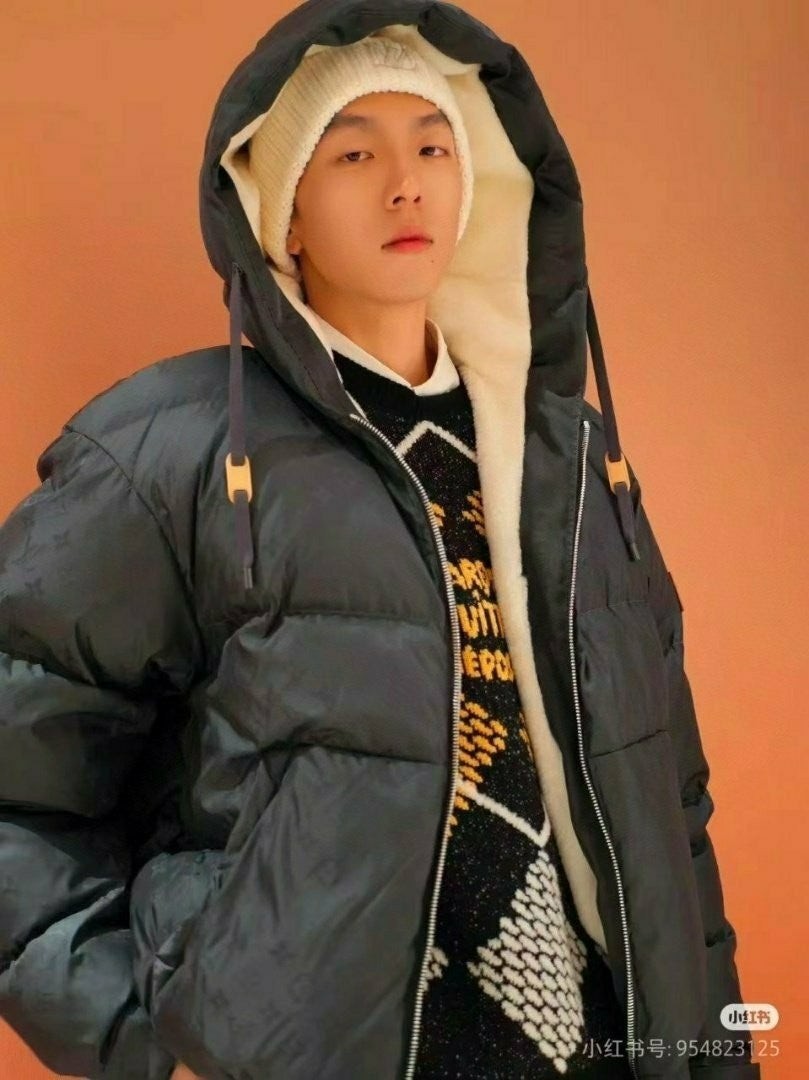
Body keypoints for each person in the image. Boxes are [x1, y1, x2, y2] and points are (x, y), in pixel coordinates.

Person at [0, 4, 759, 1080]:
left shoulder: (570, 460)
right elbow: (20, 775)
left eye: (433, 147)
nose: (405, 184)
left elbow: (669, 808)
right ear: (283, 213)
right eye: (353, 154)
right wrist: (147, 1033)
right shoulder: (169, 450)